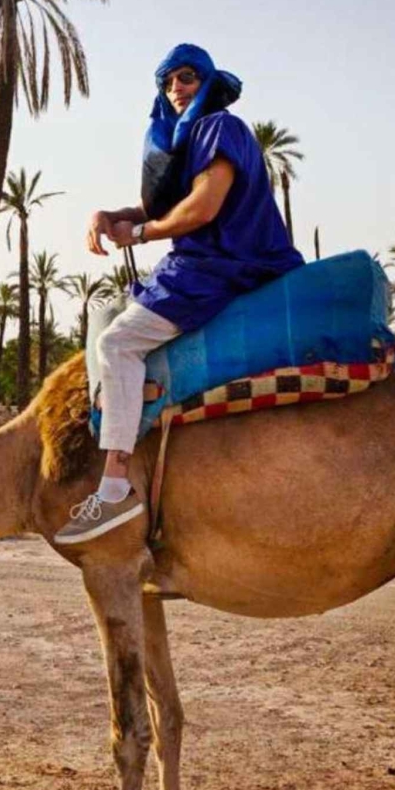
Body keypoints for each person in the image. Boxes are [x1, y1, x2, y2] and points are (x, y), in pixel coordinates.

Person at [54, 43, 304, 546]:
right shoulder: (189, 141)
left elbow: (203, 208)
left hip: (222, 264)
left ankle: (115, 486)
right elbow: (165, 207)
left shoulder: (220, 128)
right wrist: (109, 216)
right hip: (201, 263)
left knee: (118, 344)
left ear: (208, 82)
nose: (175, 90)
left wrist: (141, 235)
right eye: (167, 82)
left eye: (186, 78)